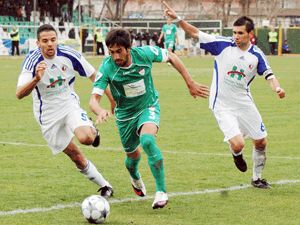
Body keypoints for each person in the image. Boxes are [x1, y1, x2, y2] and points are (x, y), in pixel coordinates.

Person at [163, 1, 286, 189]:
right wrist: (178, 19)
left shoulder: (257, 55)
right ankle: (236, 155)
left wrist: (277, 88)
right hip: (222, 104)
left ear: (250, 35)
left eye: (240, 33)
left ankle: (257, 178)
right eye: (234, 32)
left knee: (261, 141)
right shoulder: (222, 45)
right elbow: (195, 33)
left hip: (244, 103)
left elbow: (270, 76)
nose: (236, 36)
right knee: (238, 145)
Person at [89, 28, 209, 209]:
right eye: (111, 52)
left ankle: (161, 192)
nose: (115, 57)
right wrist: (99, 110)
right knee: (132, 156)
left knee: (147, 140)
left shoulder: (144, 54)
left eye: (119, 51)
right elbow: (93, 100)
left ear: (129, 48)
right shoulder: (107, 67)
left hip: (148, 106)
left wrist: (190, 83)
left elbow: (172, 57)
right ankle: (134, 176)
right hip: (125, 116)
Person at [16, 24, 114, 198]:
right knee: (75, 156)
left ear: (57, 40)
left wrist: (111, 100)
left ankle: (91, 128)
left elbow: (95, 76)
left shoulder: (69, 54)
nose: (50, 44)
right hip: (47, 114)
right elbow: (19, 94)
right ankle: (105, 185)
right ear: (38, 43)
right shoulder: (32, 61)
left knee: (87, 138)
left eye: (53, 40)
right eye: (45, 41)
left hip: (69, 104)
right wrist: (36, 79)